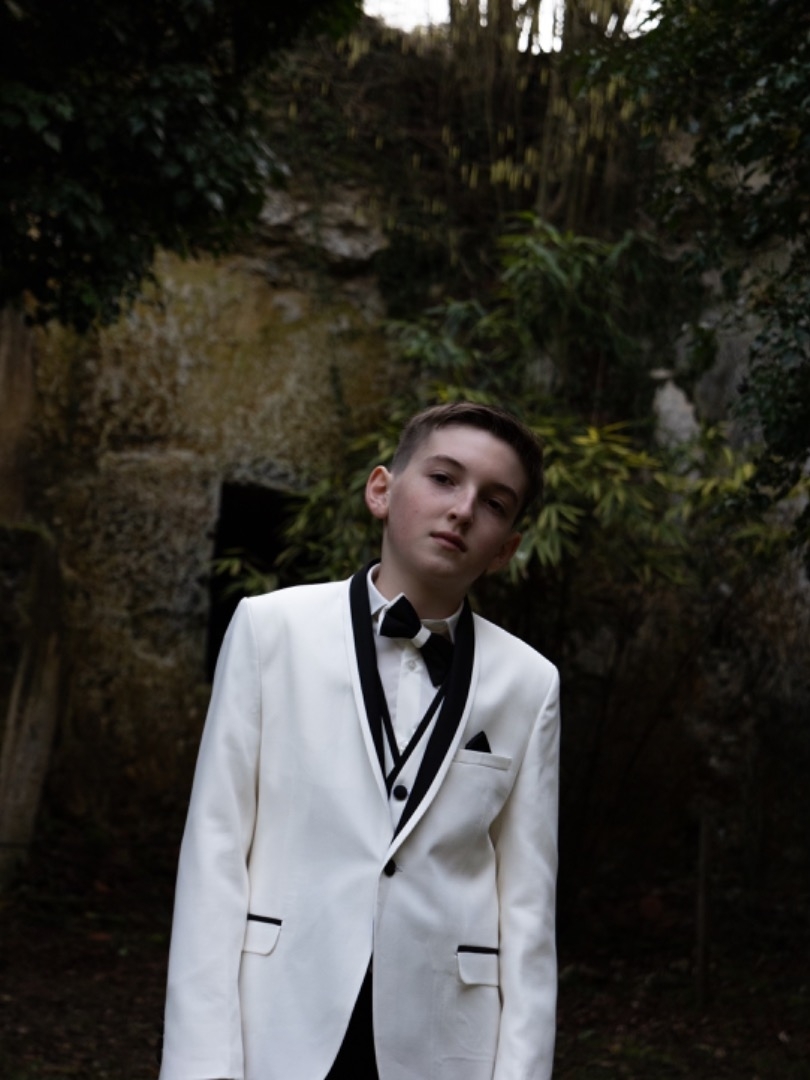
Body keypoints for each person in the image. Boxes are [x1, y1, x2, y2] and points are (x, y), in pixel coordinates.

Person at [158, 402, 561, 1080]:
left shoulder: (529, 682)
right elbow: (215, 853)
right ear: (381, 490)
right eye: (443, 478)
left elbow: (528, 909)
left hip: (444, 1044)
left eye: (494, 503)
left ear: (506, 548)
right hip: (278, 1023)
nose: (463, 509)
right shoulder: (270, 629)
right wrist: (201, 1066)